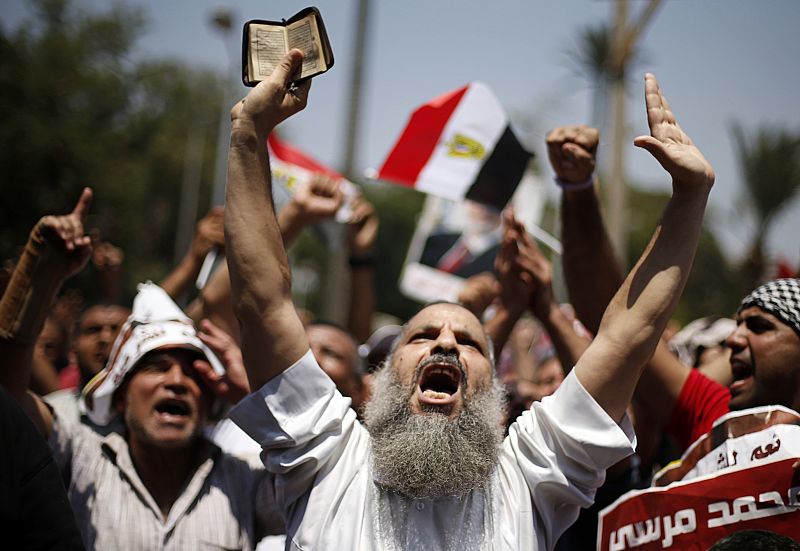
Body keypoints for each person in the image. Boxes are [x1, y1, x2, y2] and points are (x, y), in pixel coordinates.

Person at [224, 50, 714, 549]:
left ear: (498, 394)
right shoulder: (326, 453)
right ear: (380, 379)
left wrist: (690, 197)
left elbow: (627, 337)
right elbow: (262, 302)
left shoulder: (531, 476)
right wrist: (248, 135)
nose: (446, 344)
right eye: (422, 335)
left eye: (470, 341)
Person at [0, 190, 282, 550]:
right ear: (119, 397)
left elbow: (317, 486)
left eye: (195, 373)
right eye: (156, 368)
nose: (177, 382)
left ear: (212, 401)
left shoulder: (246, 481)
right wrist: (38, 277)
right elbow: (7, 398)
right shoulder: (80, 459)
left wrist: (257, 401)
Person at [548, 122, 800, 454]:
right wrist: (578, 188)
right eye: (739, 325)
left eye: (760, 326)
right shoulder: (717, 421)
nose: (735, 339)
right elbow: (614, 322)